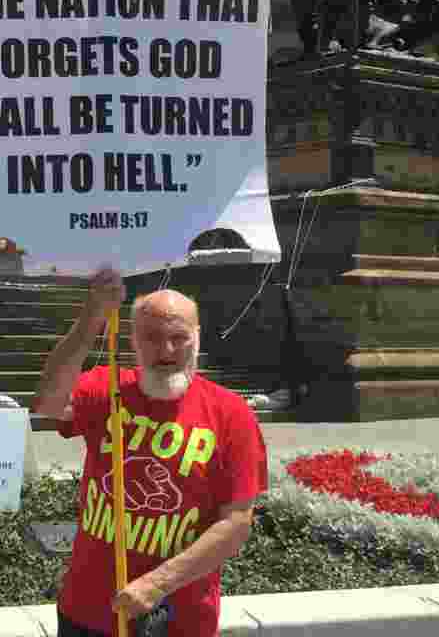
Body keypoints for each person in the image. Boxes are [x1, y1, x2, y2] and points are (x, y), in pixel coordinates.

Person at [32, 267, 268, 637]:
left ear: (198, 338)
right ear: (133, 341)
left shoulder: (231, 414)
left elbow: (237, 523)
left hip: (178, 619)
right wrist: (92, 316)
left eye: (179, 337)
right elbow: (47, 404)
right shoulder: (105, 389)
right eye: (152, 337)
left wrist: (157, 583)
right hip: (86, 611)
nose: (167, 350)